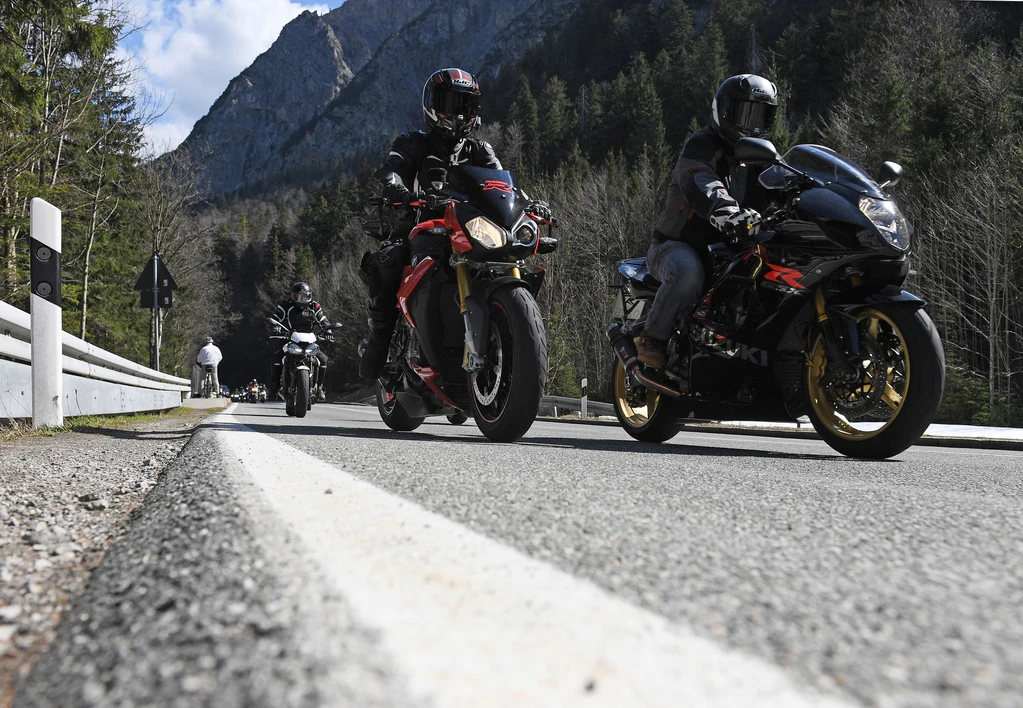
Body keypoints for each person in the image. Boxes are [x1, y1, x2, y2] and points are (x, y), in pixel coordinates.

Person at [358, 67, 549, 380]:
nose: (459, 113)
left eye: (466, 104)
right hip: (423, 226)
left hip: (469, 229)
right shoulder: (413, 143)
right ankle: (380, 337)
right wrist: (397, 189)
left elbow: (505, 189)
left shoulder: (480, 150)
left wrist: (527, 204)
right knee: (389, 260)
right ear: (433, 105)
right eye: (451, 103)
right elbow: (391, 170)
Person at [639, 74, 778, 368]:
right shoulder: (701, 146)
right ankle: (653, 338)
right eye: (744, 113)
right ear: (723, 110)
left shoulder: (760, 156)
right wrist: (727, 212)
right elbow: (701, 181)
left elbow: (783, 184)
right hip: (677, 247)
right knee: (688, 271)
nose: (751, 124)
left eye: (760, 116)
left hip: (731, 251)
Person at [268, 281, 333, 401]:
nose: (302, 300)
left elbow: (323, 319)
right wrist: (275, 326)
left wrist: (328, 330)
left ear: (310, 296)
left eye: (305, 297)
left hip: (310, 341)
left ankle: (319, 388)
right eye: (298, 297)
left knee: (323, 359)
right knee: (277, 358)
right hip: (291, 339)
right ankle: (275, 387)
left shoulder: (315, 307)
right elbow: (276, 316)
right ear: (293, 296)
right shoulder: (286, 305)